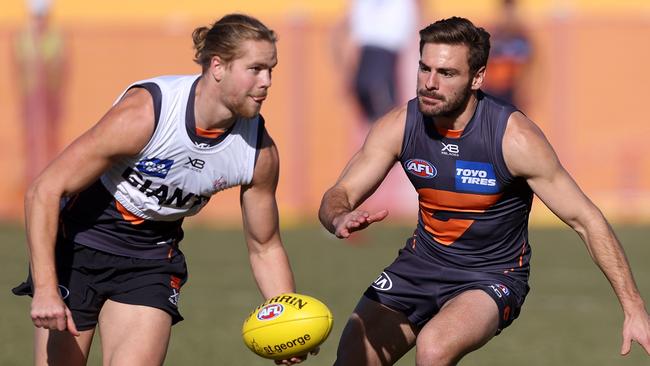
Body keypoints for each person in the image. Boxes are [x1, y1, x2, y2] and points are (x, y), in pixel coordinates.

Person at [319, 16, 650, 365]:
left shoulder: (514, 138)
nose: (430, 83)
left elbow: (586, 219)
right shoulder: (400, 125)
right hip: (420, 264)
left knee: (434, 348)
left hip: (490, 276)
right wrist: (339, 216)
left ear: (477, 78)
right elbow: (338, 194)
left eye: (446, 73)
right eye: (424, 68)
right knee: (353, 356)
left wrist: (634, 307)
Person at [12, 14, 315, 366]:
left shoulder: (258, 153)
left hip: (150, 258)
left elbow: (265, 246)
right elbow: (45, 190)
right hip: (80, 246)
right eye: (256, 69)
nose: (267, 82)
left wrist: (288, 322)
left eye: (271, 70)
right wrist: (47, 289)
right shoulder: (147, 114)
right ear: (218, 66)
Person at [13, 0, 67, 185]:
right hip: (31, 94)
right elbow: (21, 65)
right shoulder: (24, 36)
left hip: (49, 95)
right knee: (31, 134)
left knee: (50, 133)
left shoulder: (55, 36)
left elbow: (60, 65)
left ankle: (51, 170)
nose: (40, 21)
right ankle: (31, 173)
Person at [481, 0, 531, 106]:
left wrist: (525, 90)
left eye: (511, 12)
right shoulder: (492, 37)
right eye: (506, 12)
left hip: (512, 92)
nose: (508, 16)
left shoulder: (521, 38)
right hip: (492, 91)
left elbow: (529, 68)